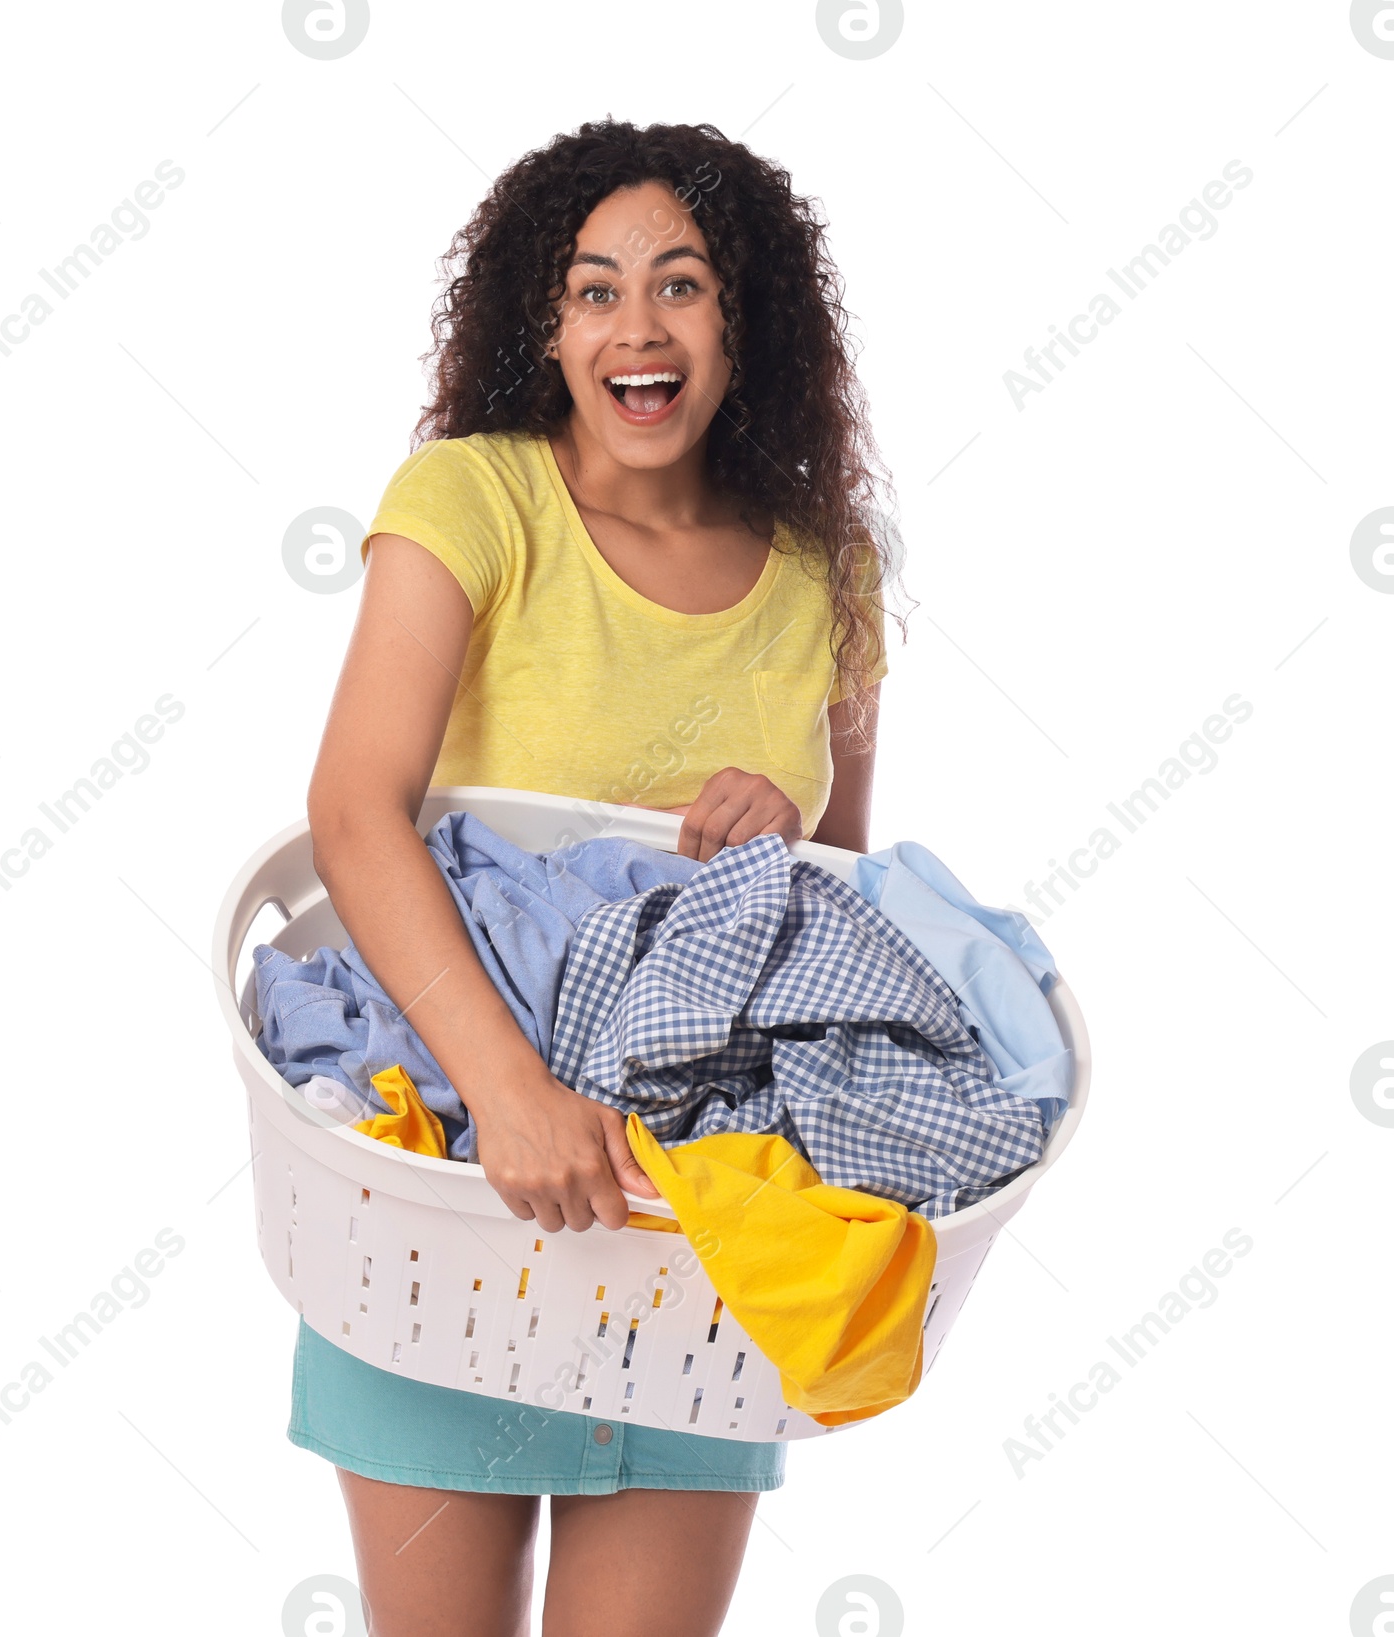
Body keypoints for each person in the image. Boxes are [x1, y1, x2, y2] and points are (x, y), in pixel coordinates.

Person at [297, 117, 898, 1637]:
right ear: (545, 328)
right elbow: (356, 811)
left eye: (682, 285)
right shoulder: (472, 500)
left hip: (692, 1230)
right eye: (593, 289)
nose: (638, 326)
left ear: (742, 323)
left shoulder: (829, 570)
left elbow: (841, 900)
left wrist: (784, 834)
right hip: (449, 1195)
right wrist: (509, 1095)